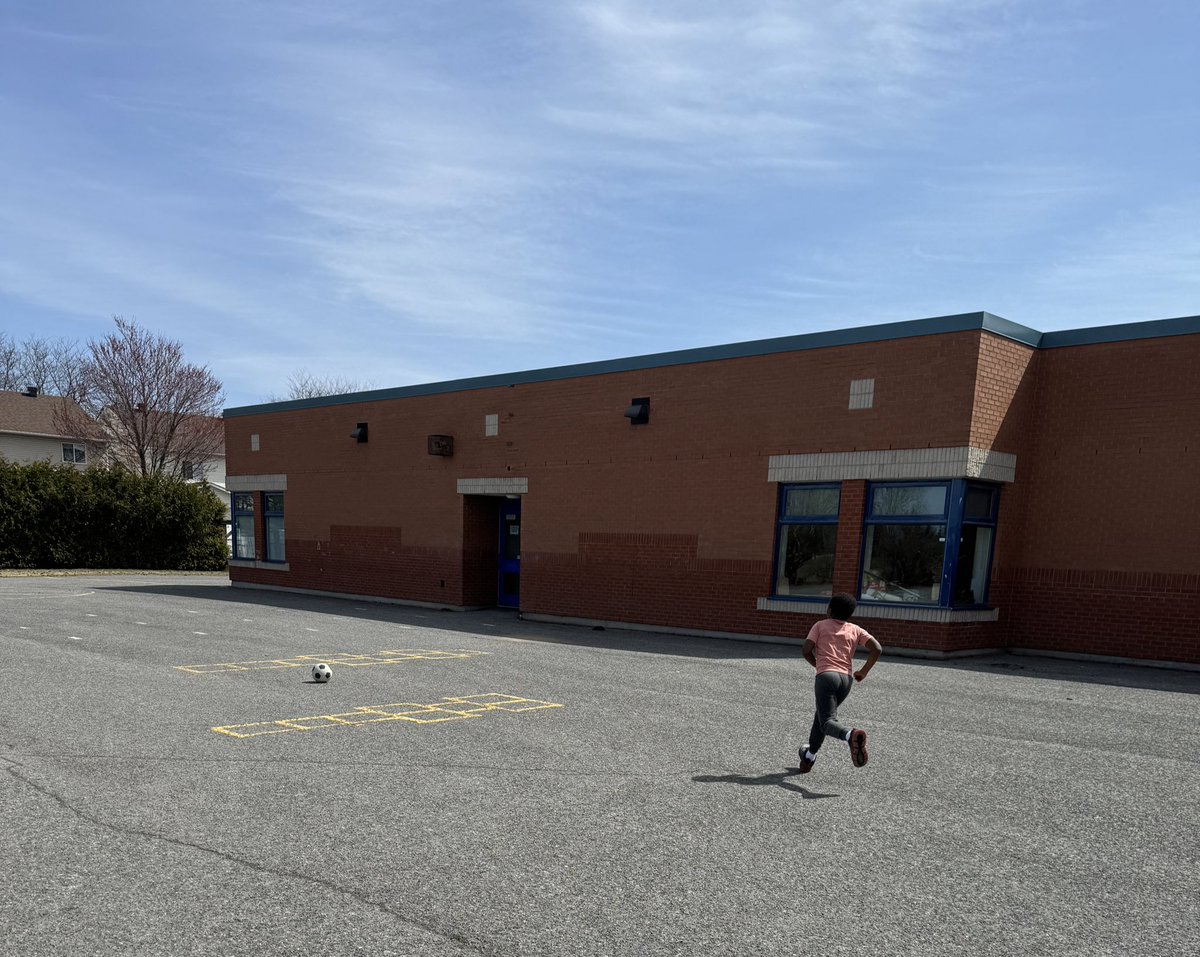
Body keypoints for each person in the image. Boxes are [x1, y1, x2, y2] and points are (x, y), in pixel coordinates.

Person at [798, 592, 882, 773]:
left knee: (827, 720)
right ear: (849, 614)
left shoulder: (820, 625)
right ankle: (809, 756)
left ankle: (850, 735)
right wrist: (864, 671)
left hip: (826, 676)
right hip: (846, 680)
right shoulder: (855, 629)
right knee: (821, 717)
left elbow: (806, 650)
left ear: (829, 610)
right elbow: (877, 648)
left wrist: (818, 666)